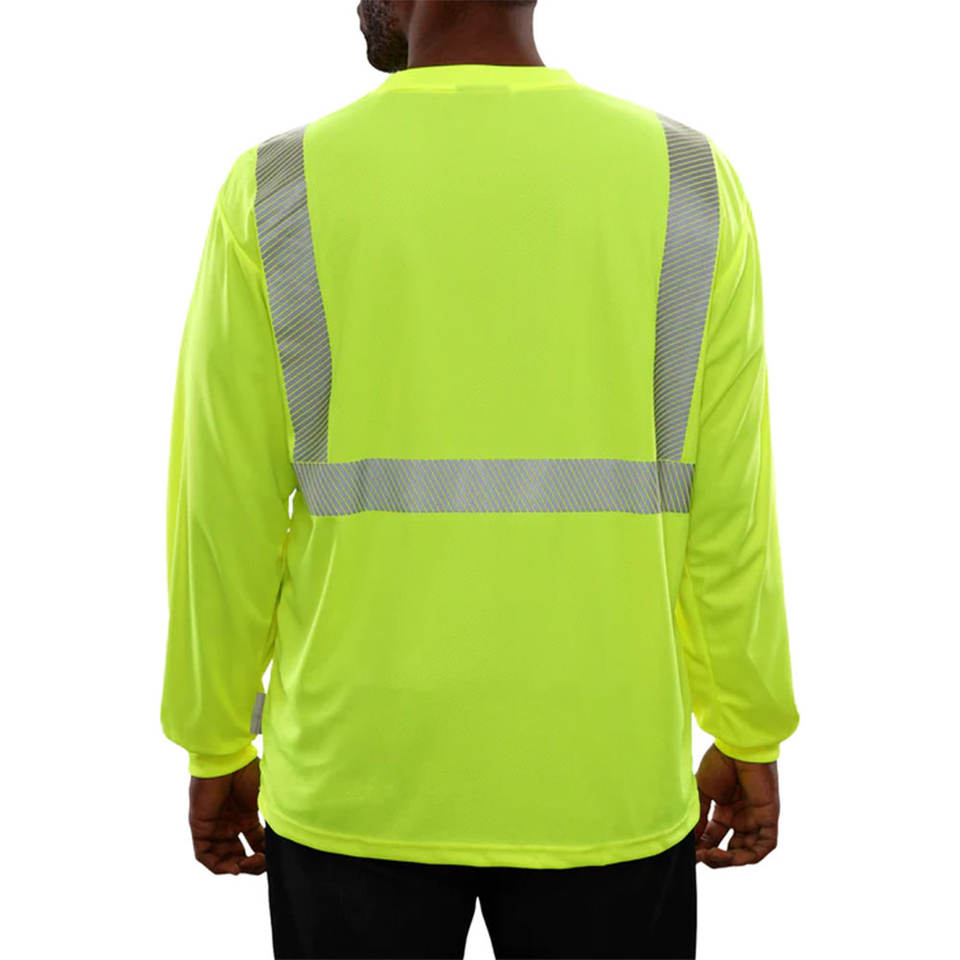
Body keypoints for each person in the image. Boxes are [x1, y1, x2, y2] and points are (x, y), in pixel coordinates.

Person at [160, 1, 800, 957]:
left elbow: (223, 512)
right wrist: (748, 726)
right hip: (604, 778)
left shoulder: (280, 186)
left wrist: (214, 738)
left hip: (356, 776)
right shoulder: (689, 179)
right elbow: (730, 508)